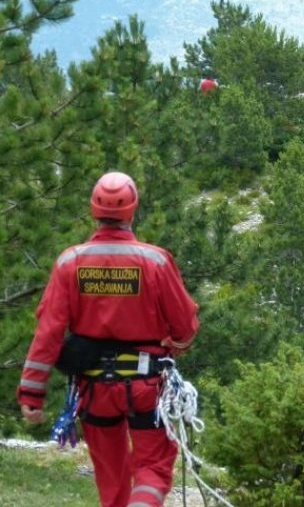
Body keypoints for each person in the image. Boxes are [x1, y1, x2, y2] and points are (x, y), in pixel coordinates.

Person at [18, 171, 200, 507]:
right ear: (133, 210)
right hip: (145, 386)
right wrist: (176, 344)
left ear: (94, 210)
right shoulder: (155, 261)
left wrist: (32, 390)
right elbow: (185, 326)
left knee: (111, 475)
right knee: (152, 467)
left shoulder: (70, 262)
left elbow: (49, 332)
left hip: (93, 389)